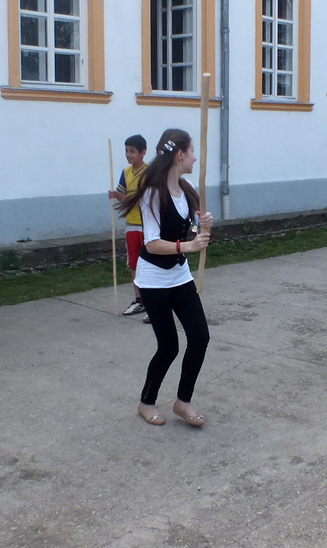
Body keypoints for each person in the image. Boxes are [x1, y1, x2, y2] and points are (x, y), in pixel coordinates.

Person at [117, 129, 213, 427]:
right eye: (192, 151)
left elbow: (190, 233)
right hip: (153, 281)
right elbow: (152, 244)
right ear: (180, 155)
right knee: (169, 346)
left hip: (179, 275)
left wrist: (203, 226)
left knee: (200, 337)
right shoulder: (152, 193)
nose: (195, 157)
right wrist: (188, 246)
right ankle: (146, 402)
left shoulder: (187, 190)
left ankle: (183, 401)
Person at [108, 134, 150, 323]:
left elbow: (144, 200)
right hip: (131, 225)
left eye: (132, 151)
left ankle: (153, 303)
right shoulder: (126, 173)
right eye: (126, 151)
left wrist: (122, 197)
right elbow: (123, 197)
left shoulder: (149, 173)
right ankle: (139, 300)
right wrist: (116, 196)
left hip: (148, 225)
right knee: (135, 264)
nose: (128, 155)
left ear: (143, 152)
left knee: (151, 264)